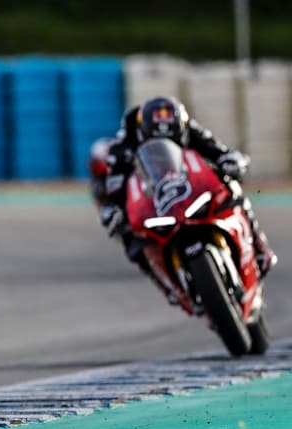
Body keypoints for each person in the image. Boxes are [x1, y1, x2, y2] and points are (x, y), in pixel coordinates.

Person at [90, 96, 277, 299]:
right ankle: (165, 285)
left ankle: (260, 248)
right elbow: (114, 183)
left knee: (233, 188)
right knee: (130, 234)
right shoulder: (124, 144)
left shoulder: (188, 128)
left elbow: (215, 148)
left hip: (191, 185)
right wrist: (113, 207)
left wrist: (231, 159)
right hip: (152, 197)